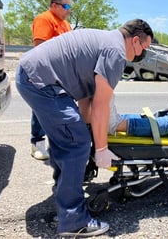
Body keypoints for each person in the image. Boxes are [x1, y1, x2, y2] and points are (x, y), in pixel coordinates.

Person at [15, 19, 154, 237]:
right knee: (76, 143)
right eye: (144, 49)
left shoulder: (106, 41)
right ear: (135, 40)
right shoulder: (116, 52)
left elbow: (87, 100)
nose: (141, 56)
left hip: (33, 75)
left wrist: (86, 130)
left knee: (71, 136)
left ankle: (65, 189)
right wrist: (100, 149)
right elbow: (101, 106)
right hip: (41, 81)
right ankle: (73, 222)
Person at [30, 0, 72, 160]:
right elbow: (40, 47)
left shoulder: (65, 24)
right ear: (55, 5)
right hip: (46, 72)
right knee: (42, 108)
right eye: (66, 6)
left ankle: (57, 143)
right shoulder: (45, 19)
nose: (69, 10)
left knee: (60, 110)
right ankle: (37, 144)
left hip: (62, 74)